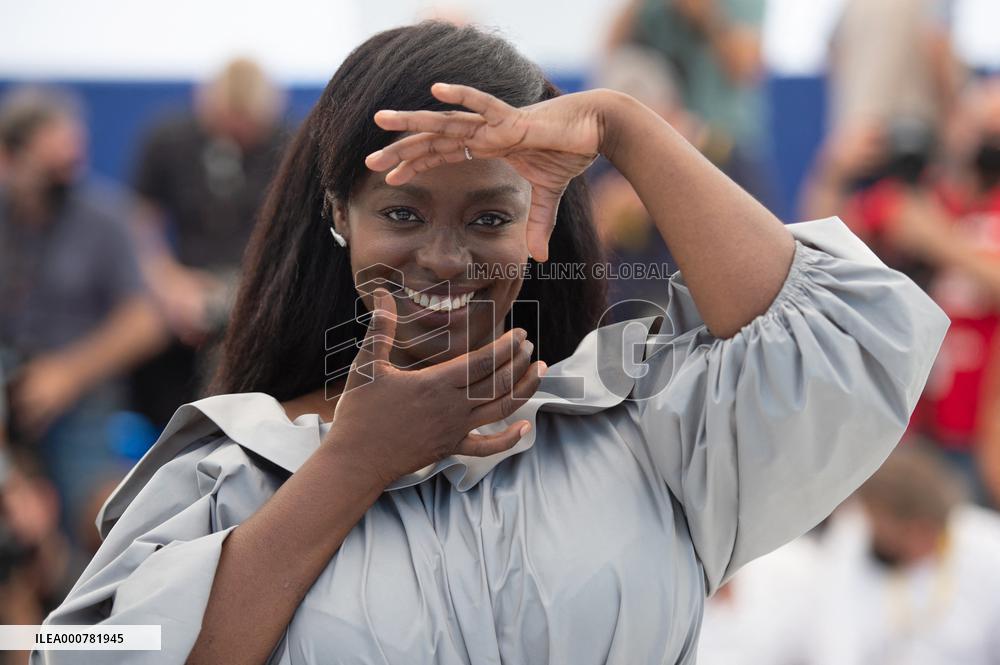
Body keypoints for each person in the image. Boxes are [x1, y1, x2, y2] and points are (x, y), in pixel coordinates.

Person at [33, 22, 948, 664]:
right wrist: (352, 466)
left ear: (537, 224)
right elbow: (75, 649)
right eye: (400, 211)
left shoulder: (644, 438)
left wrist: (625, 125)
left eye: (488, 215)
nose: (443, 256)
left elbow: (850, 334)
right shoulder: (230, 468)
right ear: (336, 217)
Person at [0, 86, 164, 544]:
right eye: (49, 168)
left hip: (83, 398)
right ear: (8, 158)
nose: (65, 180)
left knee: (106, 520)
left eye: (70, 165)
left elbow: (147, 319)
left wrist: (68, 373)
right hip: (6, 389)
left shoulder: (106, 216)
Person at [128, 58, 288, 431]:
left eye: (246, 123)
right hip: (177, 285)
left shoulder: (287, 143)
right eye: (228, 119)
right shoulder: (168, 139)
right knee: (140, 328)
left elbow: (295, 237)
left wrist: (242, 290)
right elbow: (138, 225)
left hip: (255, 286)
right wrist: (168, 282)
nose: (236, 131)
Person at [807, 445, 1000, 664]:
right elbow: (835, 638)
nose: (877, 533)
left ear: (921, 527)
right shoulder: (857, 544)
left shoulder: (990, 549)